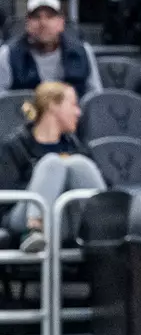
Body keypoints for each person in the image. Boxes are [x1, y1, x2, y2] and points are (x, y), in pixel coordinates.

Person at [0, 82, 103, 253]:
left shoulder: (77, 147)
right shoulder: (15, 145)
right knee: (52, 163)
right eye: (73, 105)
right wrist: (43, 182)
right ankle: (34, 230)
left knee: (79, 163)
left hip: (66, 217)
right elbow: (6, 197)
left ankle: (108, 229)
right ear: (53, 106)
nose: (79, 112)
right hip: (21, 217)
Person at [0, 0, 101, 96]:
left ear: (61, 22)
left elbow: (95, 99)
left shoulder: (83, 52)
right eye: (36, 17)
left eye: (50, 16)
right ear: (27, 24)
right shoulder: (8, 54)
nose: (43, 23)